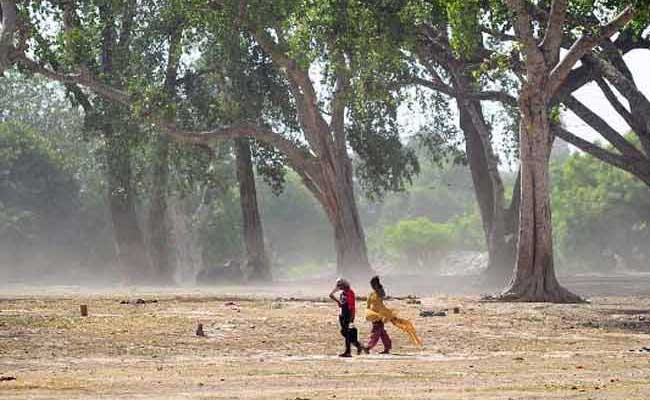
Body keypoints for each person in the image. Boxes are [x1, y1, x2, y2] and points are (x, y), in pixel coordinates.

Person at [365, 276, 422, 353]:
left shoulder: (379, 292)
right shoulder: (371, 294)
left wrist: (379, 286)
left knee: (376, 332)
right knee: (382, 333)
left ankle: (369, 347)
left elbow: (383, 294)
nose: (372, 286)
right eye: (371, 285)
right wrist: (368, 314)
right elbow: (368, 305)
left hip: (381, 315)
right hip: (374, 316)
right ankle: (387, 347)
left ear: (376, 284)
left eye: (373, 284)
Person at [329, 278, 366, 357]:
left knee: (348, 333)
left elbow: (352, 307)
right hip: (342, 315)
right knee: (344, 332)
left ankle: (348, 351)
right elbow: (334, 298)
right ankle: (358, 345)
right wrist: (335, 296)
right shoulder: (342, 294)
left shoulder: (350, 293)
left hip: (348, 315)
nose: (339, 287)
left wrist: (351, 318)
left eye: (340, 285)